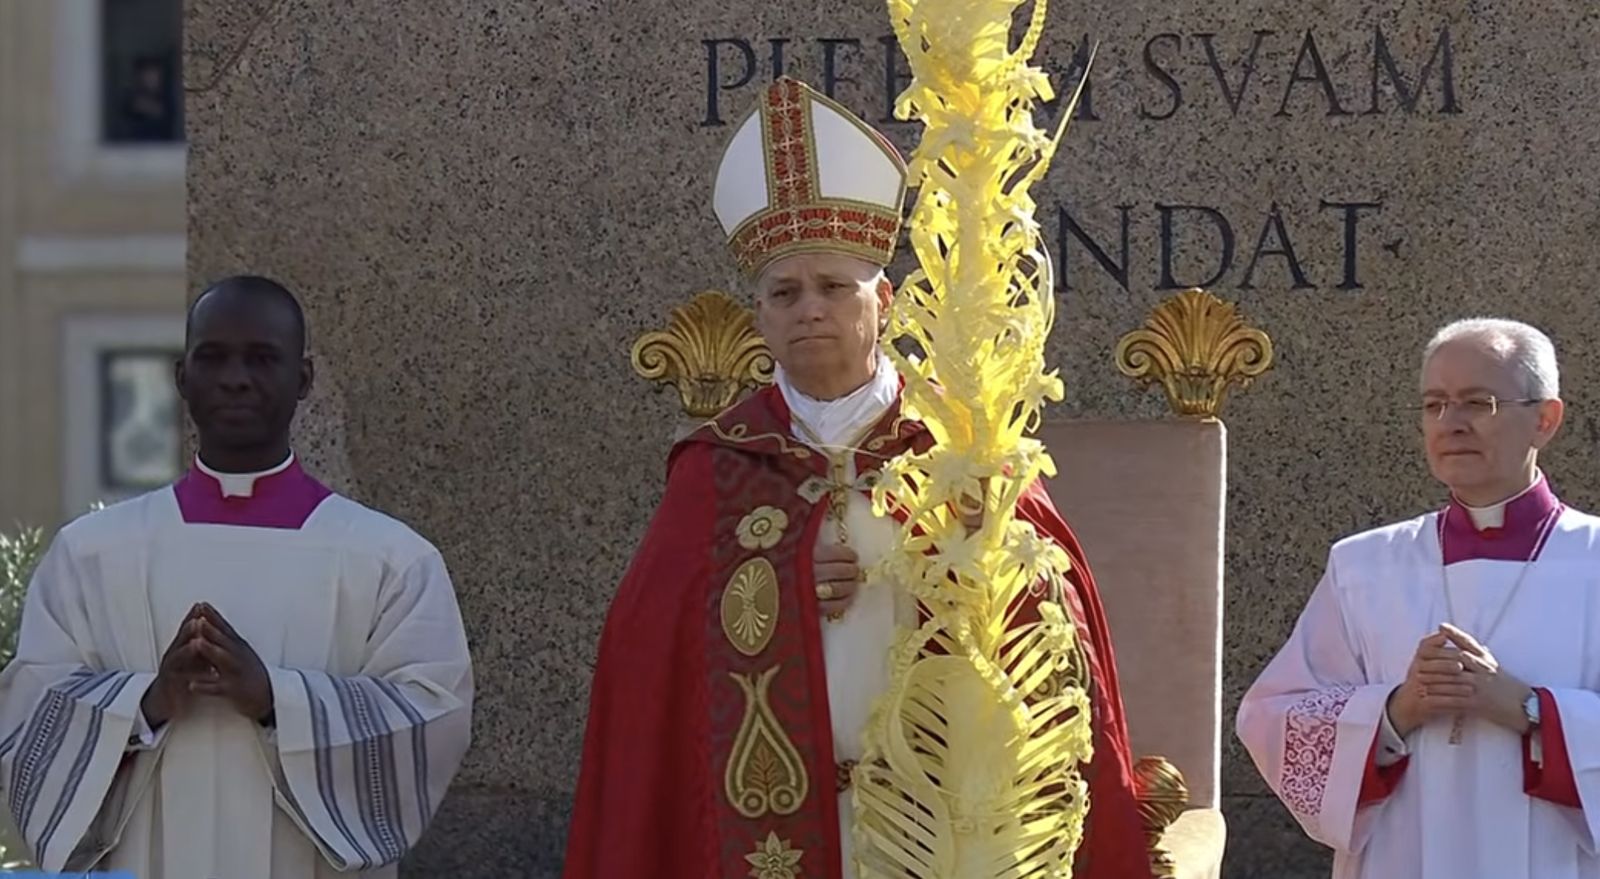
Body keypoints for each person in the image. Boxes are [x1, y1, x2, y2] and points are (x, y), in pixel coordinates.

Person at [563, 77, 1153, 879]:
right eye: (784, 292)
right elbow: (648, 663)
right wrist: (772, 585)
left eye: (833, 286)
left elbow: (1056, 624)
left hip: (943, 832)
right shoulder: (718, 467)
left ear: (885, 300)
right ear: (760, 318)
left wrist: (951, 572)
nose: (810, 309)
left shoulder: (963, 443)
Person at [0, 276, 474, 877]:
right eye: (214, 357)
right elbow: (29, 719)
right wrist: (148, 701)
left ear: (302, 380)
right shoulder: (93, 553)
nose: (235, 378)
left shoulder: (391, 560)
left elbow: (432, 717)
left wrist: (277, 699)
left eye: (261, 358)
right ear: (181, 378)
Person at [1238, 317, 1600, 879]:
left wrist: (1532, 712)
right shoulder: (1364, 565)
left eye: (1478, 403)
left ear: (1545, 420)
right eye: (1434, 405)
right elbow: (1273, 718)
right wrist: (1396, 710)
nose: (1450, 423)